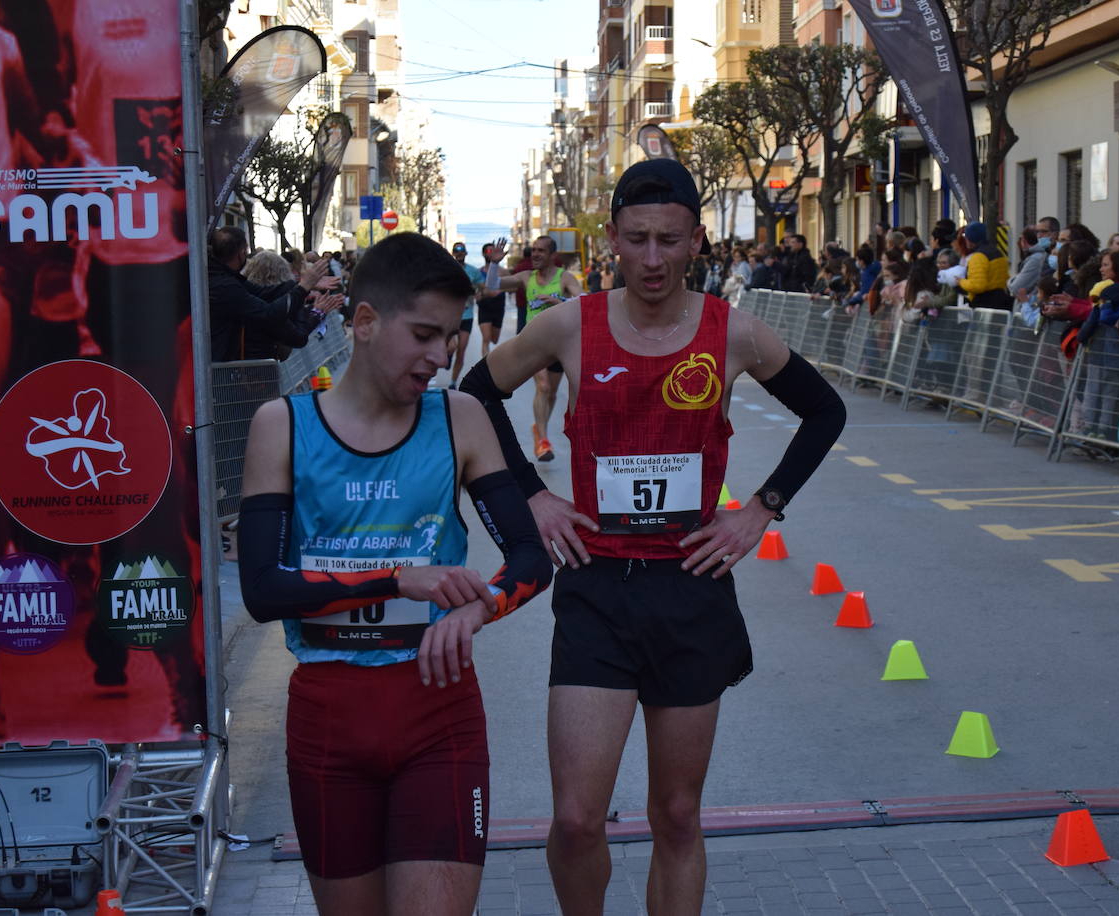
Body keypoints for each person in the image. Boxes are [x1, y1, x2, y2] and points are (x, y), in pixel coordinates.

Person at [460, 158, 846, 915]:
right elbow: (475, 396)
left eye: (669, 240)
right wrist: (532, 497)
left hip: (690, 589)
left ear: (696, 239)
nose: (653, 259)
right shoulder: (573, 323)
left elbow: (825, 410)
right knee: (575, 821)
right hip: (597, 590)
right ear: (612, 239)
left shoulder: (731, 332)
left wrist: (762, 506)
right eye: (636, 239)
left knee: (676, 814)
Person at [237, 232, 552, 915]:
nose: (441, 357)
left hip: (437, 713)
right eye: (424, 335)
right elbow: (262, 592)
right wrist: (395, 578)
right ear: (366, 322)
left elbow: (531, 557)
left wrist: (480, 608)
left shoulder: (459, 419)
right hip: (328, 722)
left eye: (451, 336)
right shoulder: (282, 427)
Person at [480, 234, 584, 462]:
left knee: (553, 392)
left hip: (560, 344)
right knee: (544, 387)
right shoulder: (527, 277)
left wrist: (561, 302)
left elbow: (584, 299)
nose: (535, 254)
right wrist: (495, 264)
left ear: (552, 255)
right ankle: (543, 441)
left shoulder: (563, 277)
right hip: (535, 344)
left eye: (541, 251)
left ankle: (539, 428)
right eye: (534, 249)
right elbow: (493, 285)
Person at [208, 227, 335, 362]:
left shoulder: (224, 278)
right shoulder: (225, 286)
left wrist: (303, 285)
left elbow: (261, 292)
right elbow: (272, 316)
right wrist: (312, 305)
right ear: (242, 253)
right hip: (242, 374)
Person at [449, 241, 485, 388]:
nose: (459, 253)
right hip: (451, 316)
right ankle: (447, 357)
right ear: (453, 253)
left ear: (465, 253)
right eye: (456, 251)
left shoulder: (473, 271)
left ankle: (453, 382)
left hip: (467, 316)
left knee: (461, 350)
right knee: (451, 347)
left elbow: (482, 288)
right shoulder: (447, 270)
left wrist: (479, 295)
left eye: (461, 251)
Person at [475, 243, 508, 359]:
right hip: (484, 307)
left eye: (493, 251)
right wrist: (481, 295)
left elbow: (513, 287)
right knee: (486, 338)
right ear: (484, 254)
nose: (491, 253)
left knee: (494, 339)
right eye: (488, 251)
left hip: (498, 307)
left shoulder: (503, 272)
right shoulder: (478, 272)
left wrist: (499, 291)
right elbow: (476, 291)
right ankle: (485, 366)